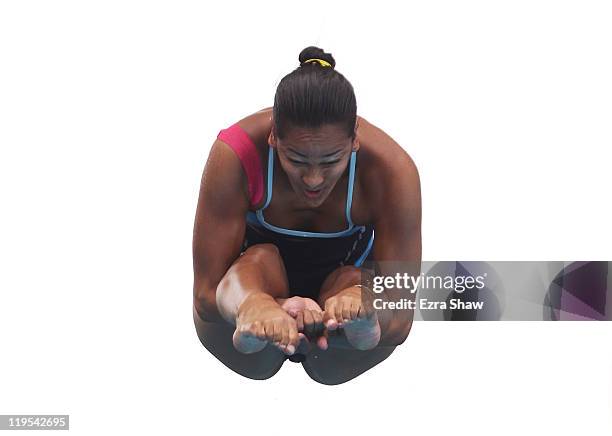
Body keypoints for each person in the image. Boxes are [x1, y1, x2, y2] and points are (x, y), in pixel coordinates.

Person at [192, 46, 421, 385]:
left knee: (353, 284)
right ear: (273, 138)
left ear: (355, 140)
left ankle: (358, 311)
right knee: (260, 259)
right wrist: (272, 306)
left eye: (331, 162)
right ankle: (251, 305)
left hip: (339, 326)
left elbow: (401, 319)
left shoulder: (391, 171)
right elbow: (205, 297)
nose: (313, 179)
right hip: (250, 305)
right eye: (297, 161)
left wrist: (348, 308)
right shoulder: (236, 154)